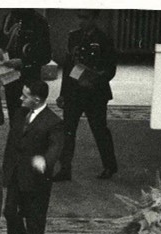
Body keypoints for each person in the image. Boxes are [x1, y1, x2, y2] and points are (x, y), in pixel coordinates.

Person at [1, 80, 63, 234]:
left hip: (36, 180)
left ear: (36, 100)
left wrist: (45, 161)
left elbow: (56, 147)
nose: (21, 98)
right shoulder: (20, 114)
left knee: (35, 218)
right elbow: (12, 142)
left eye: (25, 95)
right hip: (15, 174)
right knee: (11, 212)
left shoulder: (53, 122)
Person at [54, 10, 119, 181]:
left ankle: (109, 166)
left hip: (95, 94)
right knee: (67, 131)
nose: (81, 21)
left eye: (86, 18)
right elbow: (69, 67)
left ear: (95, 19)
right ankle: (65, 168)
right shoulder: (74, 36)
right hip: (74, 92)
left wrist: (94, 81)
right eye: (80, 17)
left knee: (99, 130)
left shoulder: (104, 39)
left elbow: (110, 69)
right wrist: (63, 93)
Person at [0, 9, 52, 120]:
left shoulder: (39, 21)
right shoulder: (9, 18)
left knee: (28, 117)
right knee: (13, 115)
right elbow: (0, 41)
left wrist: (23, 62)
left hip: (29, 76)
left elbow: (46, 55)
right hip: (10, 76)